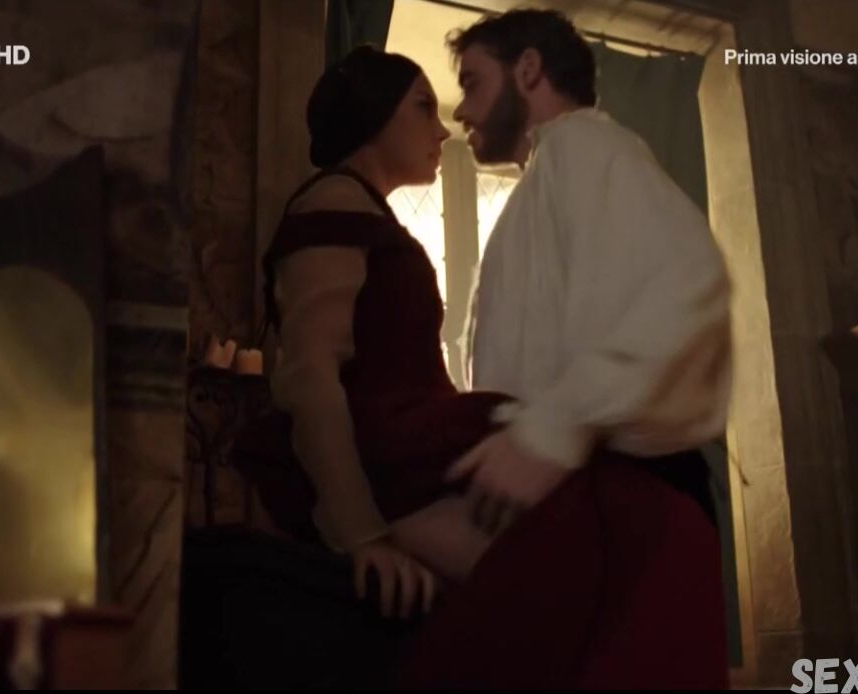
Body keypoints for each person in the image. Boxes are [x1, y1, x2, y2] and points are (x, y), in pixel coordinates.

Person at [390, 9, 732, 688]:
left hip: (629, 511)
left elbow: (686, 285)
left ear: (528, 70)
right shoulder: (551, 175)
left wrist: (553, 429)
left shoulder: (588, 150)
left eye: (472, 83)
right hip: (584, 510)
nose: (464, 111)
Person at [239, 45, 513, 623]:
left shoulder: (361, 210)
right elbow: (310, 374)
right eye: (423, 107)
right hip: (391, 468)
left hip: (405, 454)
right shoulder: (332, 203)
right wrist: (362, 533)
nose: (442, 130)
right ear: (374, 112)